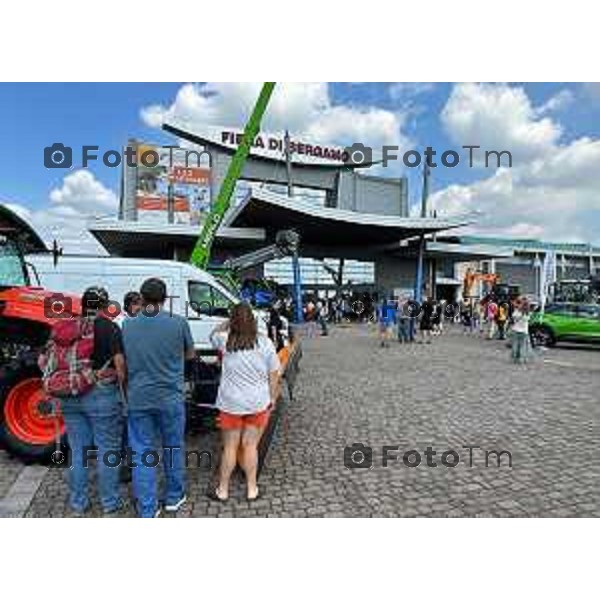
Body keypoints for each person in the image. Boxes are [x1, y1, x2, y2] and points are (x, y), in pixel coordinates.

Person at [40, 286, 126, 515]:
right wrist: (122, 387)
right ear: (105, 305)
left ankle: (79, 503)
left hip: (70, 395)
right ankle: (109, 503)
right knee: (108, 449)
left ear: (83, 304)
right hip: (101, 395)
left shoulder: (66, 327)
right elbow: (119, 364)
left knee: (78, 451)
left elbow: (43, 360)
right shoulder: (109, 327)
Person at [122, 278, 195, 518]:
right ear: (165, 299)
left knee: (143, 452)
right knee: (173, 446)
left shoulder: (128, 325)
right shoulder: (179, 323)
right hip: (170, 398)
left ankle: (147, 508)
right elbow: (190, 355)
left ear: (141, 299)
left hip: (138, 399)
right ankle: (174, 497)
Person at [208, 303, 281, 502]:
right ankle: (252, 489)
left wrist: (228, 322)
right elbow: (274, 374)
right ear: (253, 320)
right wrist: (273, 398)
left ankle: (222, 490)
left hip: (231, 403)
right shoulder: (265, 343)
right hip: (257, 402)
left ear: (233, 321)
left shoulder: (225, 340)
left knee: (230, 447)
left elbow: (212, 333)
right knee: (250, 446)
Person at [511, 298, 531, 364]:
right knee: (522, 346)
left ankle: (515, 359)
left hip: (516, 330)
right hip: (524, 331)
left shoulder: (516, 312)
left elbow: (513, 317)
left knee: (515, 345)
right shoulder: (528, 313)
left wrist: (516, 307)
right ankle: (521, 359)